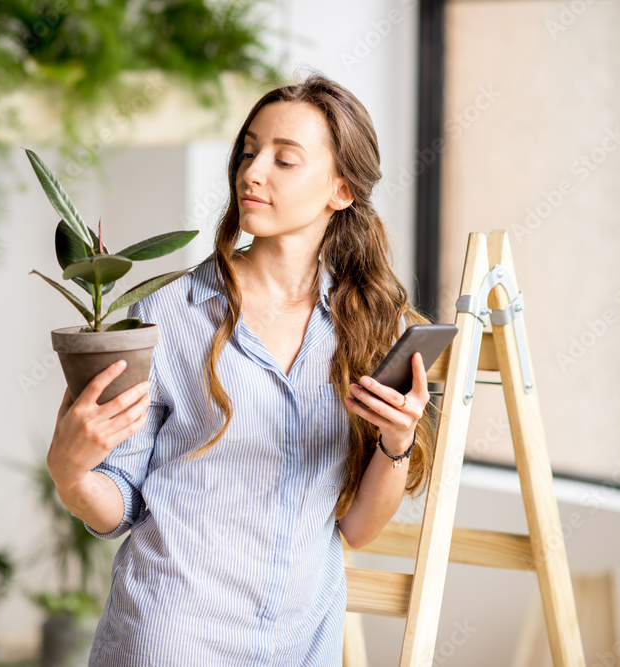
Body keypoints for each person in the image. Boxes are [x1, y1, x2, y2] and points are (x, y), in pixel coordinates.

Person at [45, 71, 434, 666]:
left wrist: (396, 441)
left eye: (285, 161)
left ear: (342, 189)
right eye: (249, 152)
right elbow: (119, 501)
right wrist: (71, 475)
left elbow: (356, 529)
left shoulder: (372, 327)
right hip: (174, 637)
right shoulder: (169, 313)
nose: (252, 173)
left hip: (305, 641)